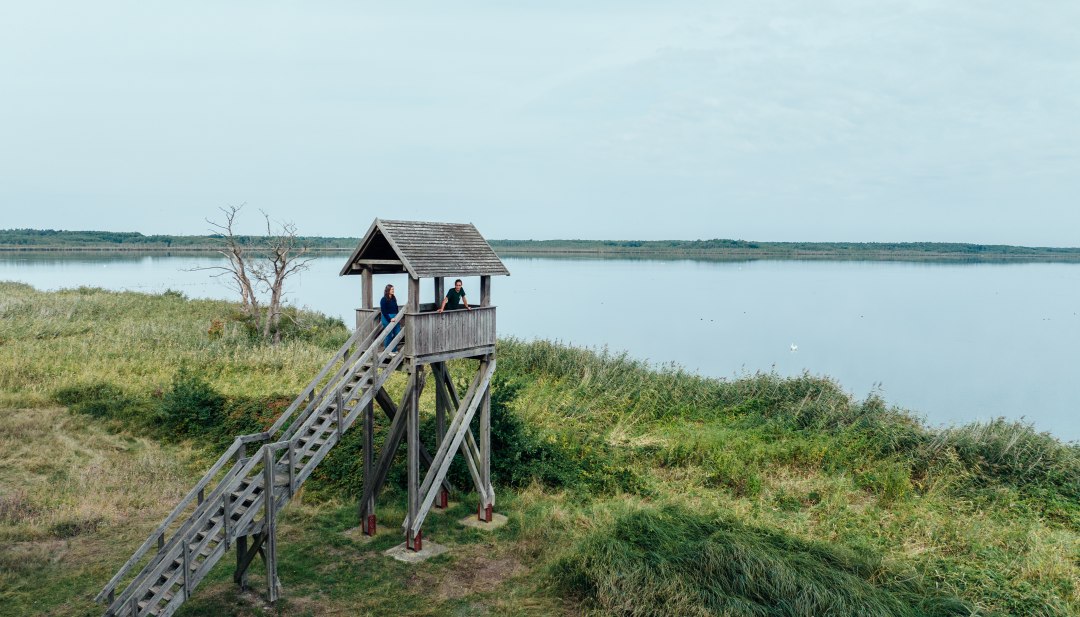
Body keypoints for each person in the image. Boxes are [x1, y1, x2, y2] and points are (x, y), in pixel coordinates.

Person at [380, 284, 401, 349]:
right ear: (388, 290)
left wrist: (397, 316)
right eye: (392, 289)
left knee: (397, 333)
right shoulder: (383, 299)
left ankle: (394, 350)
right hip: (387, 318)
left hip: (395, 317)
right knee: (389, 334)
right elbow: (383, 311)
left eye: (393, 289)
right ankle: (387, 350)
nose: (393, 290)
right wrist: (390, 319)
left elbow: (396, 308)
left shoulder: (394, 298)